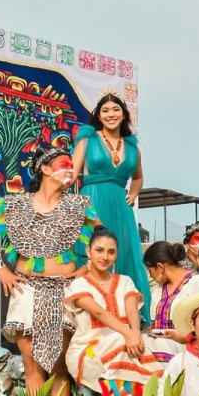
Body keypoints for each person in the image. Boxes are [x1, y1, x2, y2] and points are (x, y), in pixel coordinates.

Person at [0, 144, 98, 396]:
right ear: (44, 169)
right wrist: (2, 271)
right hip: (27, 289)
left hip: (63, 291)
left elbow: (103, 239)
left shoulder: (78, 206)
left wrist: (86, 268)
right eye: (63, 164)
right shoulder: (16, 205)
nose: (70, 168)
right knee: (32, 363)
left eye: (72, 164)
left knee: (59, 366)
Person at [64, 227, 165, 396]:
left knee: (155, 346)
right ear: (88, 252)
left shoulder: (125, 281)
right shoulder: (79, 285)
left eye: (111, 252)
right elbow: (100, 313)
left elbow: (132, 309)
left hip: (126, 347)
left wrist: (135, 335)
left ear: (116, 254)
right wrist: (128, 334)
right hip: (90, 347)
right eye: (99, 250)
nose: (105, 257)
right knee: (120, 342)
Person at [71, 91, 152, 320]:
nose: (111, 114)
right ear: (98, 114)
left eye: (116, 109)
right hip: (92, 200)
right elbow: (72, 176)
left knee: (125, 255)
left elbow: (138, 177)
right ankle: (95, 314)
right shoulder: (88, 138)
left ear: (124, 114)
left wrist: (133, 194)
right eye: (105, 110)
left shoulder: (132, 146)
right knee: (94, 253)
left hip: (121, 205)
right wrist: (81, 207)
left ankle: (131, 317)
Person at [144, 241, 199, 361]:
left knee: (161, 345)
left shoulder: (197, 284)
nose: (150, 275)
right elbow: (155, 325)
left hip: (188, 349)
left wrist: (181, 337)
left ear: (160, 267)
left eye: (150, 270)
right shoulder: (158, 290)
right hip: (158, 346)